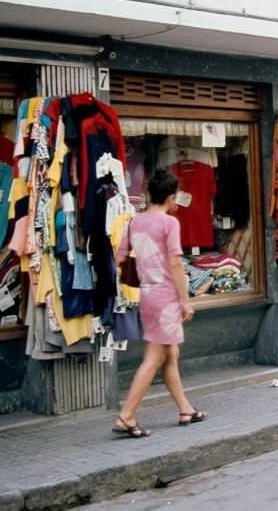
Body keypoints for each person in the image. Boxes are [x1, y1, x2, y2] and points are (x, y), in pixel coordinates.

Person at [113, 168, 205, 438]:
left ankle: (185, 409)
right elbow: (176, 263)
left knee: (170, 354)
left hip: (147, 295)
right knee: (154, 358)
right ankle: (126, 416)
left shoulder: (134, 222)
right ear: (169, 196)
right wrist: (185, 302)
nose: (177, 201)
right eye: (176, 196)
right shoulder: (169, 224)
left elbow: (118, 258)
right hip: (165, 297)